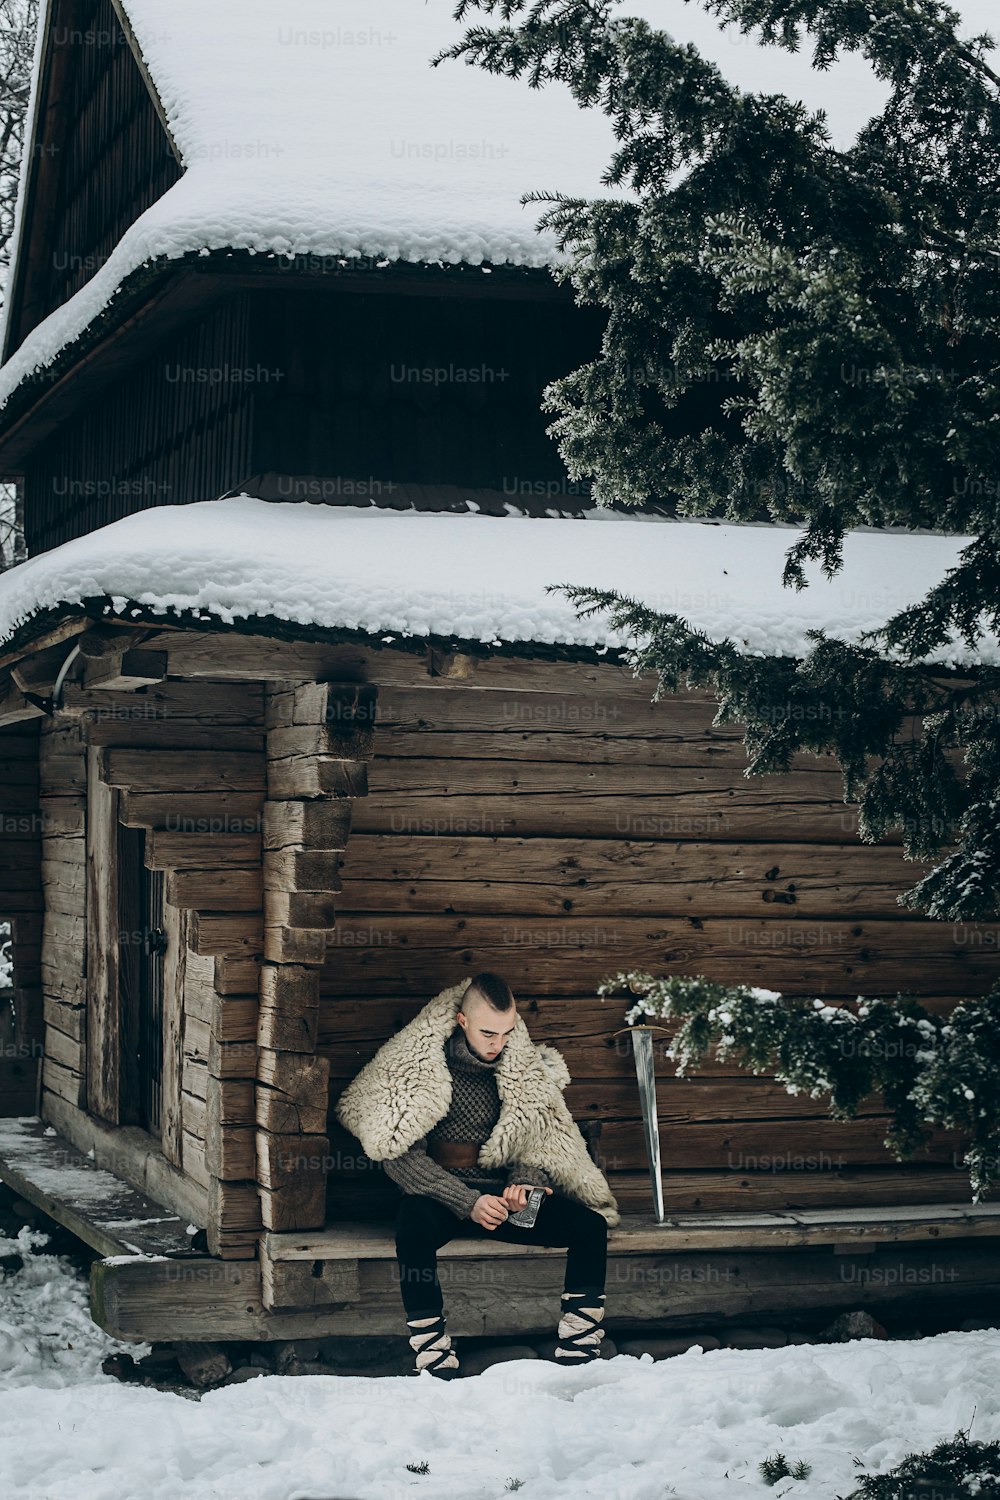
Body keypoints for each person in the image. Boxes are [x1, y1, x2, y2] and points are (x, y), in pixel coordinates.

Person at [335, 972, 619, 1378]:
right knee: (411, 1225)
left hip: (505, 1203)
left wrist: (524, 1184)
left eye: (506, 1033)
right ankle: (433, 1351)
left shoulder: (523, 1073)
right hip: (442, 1199)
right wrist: (466, 1202)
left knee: (589, 1226)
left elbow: (535, 1138)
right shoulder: (421, 1071)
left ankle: (579, 1344)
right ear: (462, 1022)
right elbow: (397, 1156)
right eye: (488, 1032)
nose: (497, 1044)